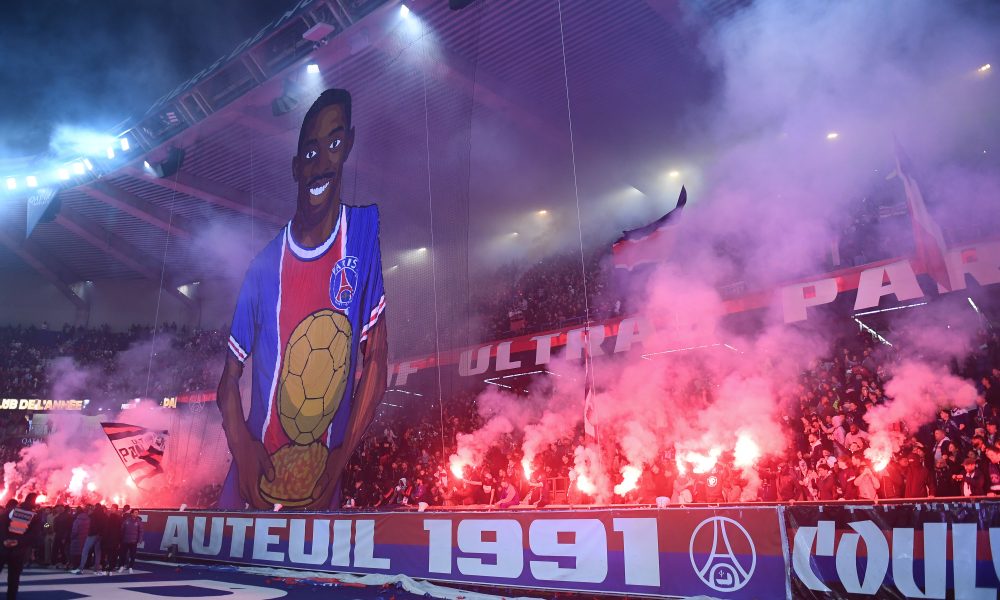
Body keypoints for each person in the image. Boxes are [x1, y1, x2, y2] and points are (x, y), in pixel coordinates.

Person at [217, 88, 388, 511]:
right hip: (256, 472)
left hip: (321, 482)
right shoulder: (263, 267)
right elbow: (227, 381)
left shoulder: (361, 235)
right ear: (296, 168)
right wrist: (242, 446)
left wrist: (341, 456)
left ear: (348, 144)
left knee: (310, 579)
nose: (322, 162)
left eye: (333, 145)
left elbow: (378, 361)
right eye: (310, 152)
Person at [0, 492, 42, 599]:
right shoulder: (35, 515)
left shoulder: (8, 512)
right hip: (19, 550)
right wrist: (18, 542)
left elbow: (1, 527)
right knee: (14, 578)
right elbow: (34, 535)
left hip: (3, 547)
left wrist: (4, 540)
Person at [72, 504, 103, 574]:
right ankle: (96, 569)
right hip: (97, 535)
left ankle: (80, 568)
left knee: (84, 551)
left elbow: (75, 529)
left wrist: (47, 528)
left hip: (88, 536)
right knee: (97, 552)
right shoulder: (101, 516)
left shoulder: (83, 517)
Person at [119, 509, 142, 574]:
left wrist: (140, 540)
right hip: (125, 541)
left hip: (133, 541)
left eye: (137, 513)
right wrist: (121, 538)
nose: (136, 514)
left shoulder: (139, 522)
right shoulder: (126, 521)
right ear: (131, 513)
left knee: (132, 555)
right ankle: (121, 566)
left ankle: (130, 567)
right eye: (135, 512)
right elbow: (122, 529)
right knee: (123, 554)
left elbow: (141, 531)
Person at [101, 504, 122, 575]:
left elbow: (107, 529)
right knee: (113, 554)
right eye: (111, 507)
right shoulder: (118, 518)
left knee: (109, 554)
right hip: (114, 539)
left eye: (112, 508)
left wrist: (105, 537)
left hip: (110, 539)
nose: (111, 509)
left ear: (116, 509)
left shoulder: (111, 518)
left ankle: (108, 567)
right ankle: (111, 567)